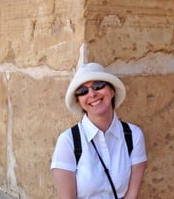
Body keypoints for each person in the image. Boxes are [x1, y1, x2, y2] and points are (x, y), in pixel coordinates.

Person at [51, 62, 147, 199]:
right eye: (82, 91)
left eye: (98, 86)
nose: (92, 94)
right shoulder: (68, 141)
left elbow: (132, 194)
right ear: (79, 100)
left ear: (112, 91)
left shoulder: (133, 136)